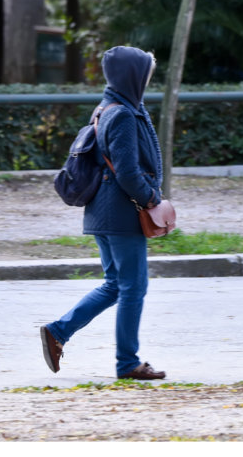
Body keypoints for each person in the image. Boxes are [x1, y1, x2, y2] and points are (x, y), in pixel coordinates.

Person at [40, 46, 166, 380]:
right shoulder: (122, 114)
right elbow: (127, 172)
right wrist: (151, 198)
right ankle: (128, 362)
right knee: (134, 288)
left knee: (115, 285)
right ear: (132, 75)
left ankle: (57, 332)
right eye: (146, 73)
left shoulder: (110, 107)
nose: (148, 79)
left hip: (104, 214)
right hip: (121, 215)